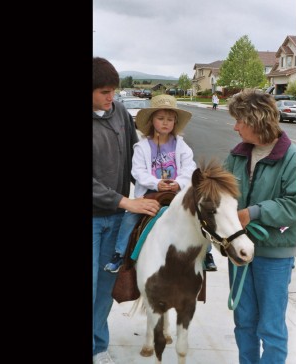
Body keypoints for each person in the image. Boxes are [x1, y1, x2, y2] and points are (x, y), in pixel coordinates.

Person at [92, 57, 161, 364]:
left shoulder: (119, 111)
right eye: (104, 92)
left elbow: (136, 161)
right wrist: (126, 201)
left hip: (117, 220)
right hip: (94, 219)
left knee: (106, 288)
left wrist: (157, 187)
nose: (112, 98)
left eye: (114, 91)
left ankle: (97, 345)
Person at [223, 88, 296, 364]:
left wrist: (253, 213)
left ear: (255, 121)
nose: (235, 127)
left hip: (274, 255)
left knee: (271, 328)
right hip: (239, 253)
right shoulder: (238, 155)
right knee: (244, 322)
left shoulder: (292, 158)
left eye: (239, 121)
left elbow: (295, 204)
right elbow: (219, 190)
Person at [104, 94, 198, 273]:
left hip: (177, 194)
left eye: (170, 119)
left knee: (200, 214)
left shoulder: (181, 145)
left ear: (175, 122)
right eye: (161, 118)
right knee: (130, 217)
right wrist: (156, 183)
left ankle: (206, 252)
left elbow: (190, 168)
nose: (165, 123)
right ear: (151, 121)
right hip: (150, 194)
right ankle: (119, 253)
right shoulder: (142, 147)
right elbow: (137, 171)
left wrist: (178, 183)